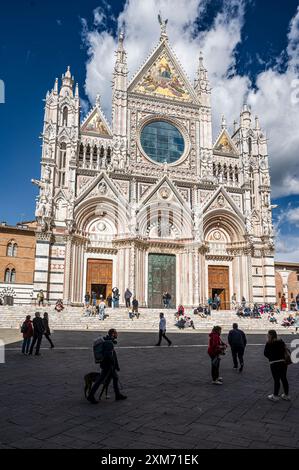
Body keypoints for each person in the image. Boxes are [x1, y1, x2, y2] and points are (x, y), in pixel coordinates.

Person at [87, 328, 127, 404]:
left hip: (108, 365)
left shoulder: (109, 341)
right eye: (116, 333)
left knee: (115, 378)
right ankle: (91, 395)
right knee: (100, 380)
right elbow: (108, 355)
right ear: (112, 334)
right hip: (108, 365)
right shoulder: (109, 343)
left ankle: (117, 394)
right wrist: (113, 363)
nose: (117, 334)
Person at [264, 330, 290, 402]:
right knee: (284, 378)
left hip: (274, 363)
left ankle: (275, 396)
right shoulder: (281, 341)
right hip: (283, 362)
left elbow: (265, 353)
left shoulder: (269, 343)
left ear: (269, 335)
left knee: (276, 380)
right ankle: (286, 395)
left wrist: (271, 357)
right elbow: (286, 350)